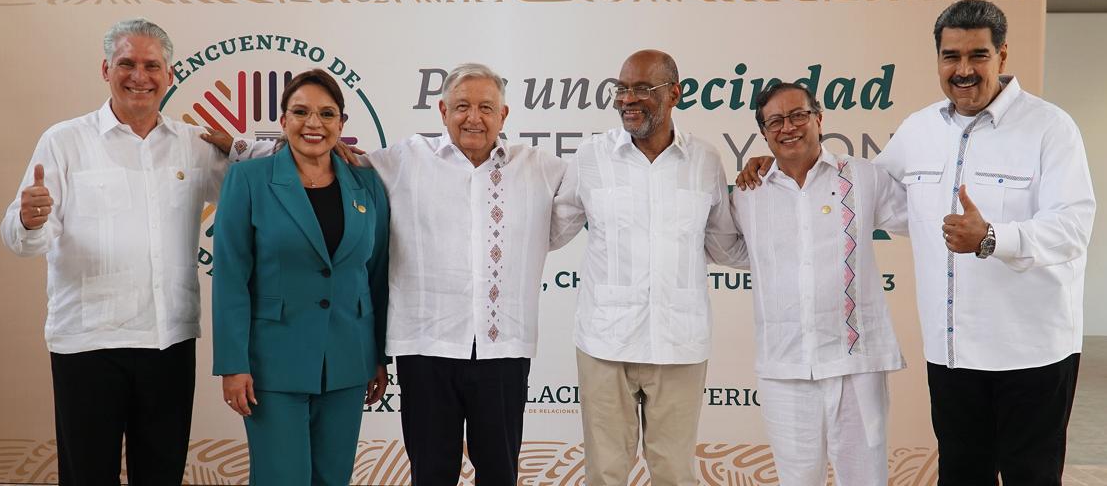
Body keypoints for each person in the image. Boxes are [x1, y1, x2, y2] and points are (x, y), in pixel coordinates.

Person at [736, 0, 1095, 485]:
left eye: (978, 55)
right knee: (961, 475)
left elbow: (1073, 227)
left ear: (1002, 55)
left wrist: (992, 238)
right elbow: (856, 190)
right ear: (938, 59)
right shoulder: (918, 130)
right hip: (952, 353)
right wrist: (778, 164)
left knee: (1031, 476)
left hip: (1030, 351)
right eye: (951, 56)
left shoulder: (1050, 127)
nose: (963, 70)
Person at [0, 18, 265, 485]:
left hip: (169, 342)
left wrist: (243, 146)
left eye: (151, 65)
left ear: (170, 74)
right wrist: (29, 219)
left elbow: (267, 187)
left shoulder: (194, 144)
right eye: (126, 64)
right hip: (87, 344)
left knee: (161, 476)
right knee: (87, 476)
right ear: (106, 69)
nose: (139, 76)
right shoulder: (64, 141)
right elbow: (23, 239)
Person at [355, 63, 566, 485]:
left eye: (486, 107)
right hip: (426, 348)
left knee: (500, 473)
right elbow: (327, 160)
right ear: (443, 111)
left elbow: (597, 190)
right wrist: (238, 149)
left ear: (503, 115)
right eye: (462, 106)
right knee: (431, 474)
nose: (474, 117)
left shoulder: (540, 168)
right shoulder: (404, 160)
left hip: (502, 350)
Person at [550, 49, 741, 485]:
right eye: (621, 89)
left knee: (675, 474)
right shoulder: (591, 157)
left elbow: (725, 246)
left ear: (675, 93)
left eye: (641, 88)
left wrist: (777, 199)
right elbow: (551, 231)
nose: (627, 99)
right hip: (605, 343)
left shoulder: (706, 160)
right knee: (605, 474)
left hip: (679, 344)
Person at [210, 68, 390, 485]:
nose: (314, 123)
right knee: (281, 478)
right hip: (272, 365)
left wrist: (378, 355)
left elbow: (377, 274)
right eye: (301, 112)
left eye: (327, 114)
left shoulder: (367, 184)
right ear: (283, 120)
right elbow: (231, 278)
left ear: (341, 124)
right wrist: (233, 364)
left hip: (349, 361)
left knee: (333, 478)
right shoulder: (248, 180)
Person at [729, 82, 907, 485]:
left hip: (857, 364)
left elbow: (920, 217)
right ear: (763, 133)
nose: (788, 127)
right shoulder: (748, 193)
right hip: (785, 366)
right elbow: (728, 248)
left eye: (798, 115)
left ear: (819, 119)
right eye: (775, 121)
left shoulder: (864, 177)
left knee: (866, 479)